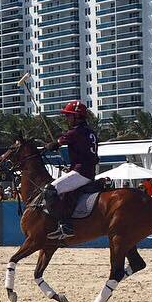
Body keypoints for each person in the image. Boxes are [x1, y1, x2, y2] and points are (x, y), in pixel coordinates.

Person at [44, 100, 99, 240]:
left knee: (50, 190)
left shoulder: (75, 132)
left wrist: (51, 145)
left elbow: (57, 143)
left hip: (81, 172)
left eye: (69, 115)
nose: (66, 118)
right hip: (88, 171)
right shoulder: (90, 132)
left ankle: (64, 225)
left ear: (77, 116)